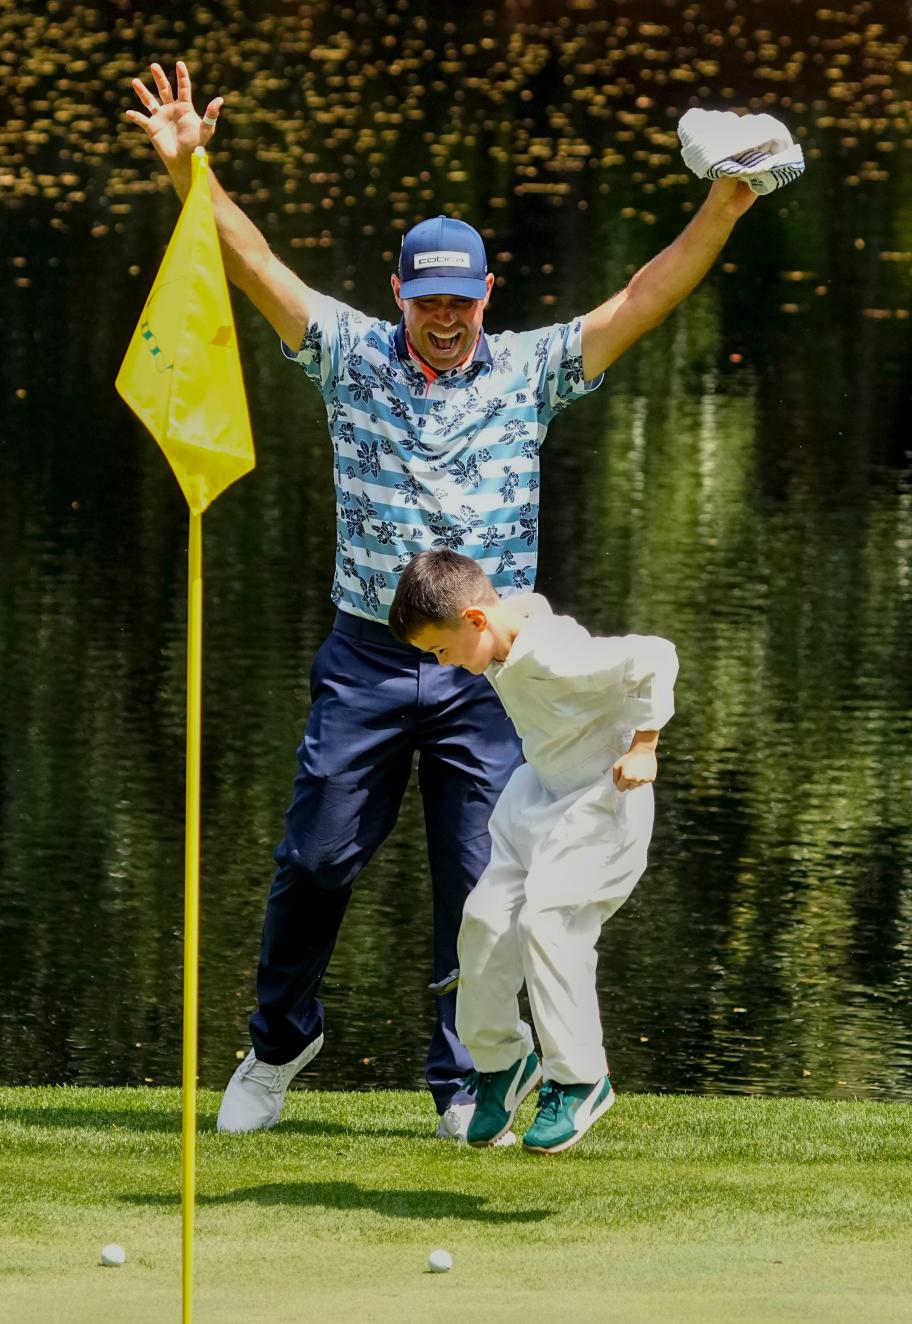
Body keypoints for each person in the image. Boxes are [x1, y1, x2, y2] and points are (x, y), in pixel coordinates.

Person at [125, 61, 753, 1139]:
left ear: (487, 297)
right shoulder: (348, 354)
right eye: (431, 301)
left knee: (481, 887)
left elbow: (645, 293)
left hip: (487, 672)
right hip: (367, 653)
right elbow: (257, 262)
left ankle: (465, 1081)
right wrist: (195, 173)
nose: (448, 318)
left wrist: (725, 200)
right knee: (316, 856)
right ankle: (280, 1042)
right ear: (400, 292)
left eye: (464, 300)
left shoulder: (529, 370)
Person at [389, 549, 678, 1153]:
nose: (441, 665)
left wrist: (645, 746)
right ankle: (504, 1063)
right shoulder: (498, 632)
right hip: (538, 796)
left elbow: (654, 655)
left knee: (549, 923)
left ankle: (581, 1080)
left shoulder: (557, 654)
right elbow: (518, 608)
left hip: (602, 802)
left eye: (440, 651)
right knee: (486, 923)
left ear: (473, 620)